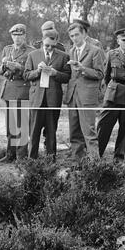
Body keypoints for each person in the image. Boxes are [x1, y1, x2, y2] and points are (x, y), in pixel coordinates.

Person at [24, 29, 71, 159]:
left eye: (52, 46)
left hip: (53, 99)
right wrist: (37, 71)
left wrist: (56, 74)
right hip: (36, 99)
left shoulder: (63, 56)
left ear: (56, 42)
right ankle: (31, 161)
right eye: (47, 46)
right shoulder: (33, 55)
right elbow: (26, 75)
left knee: (51, 132)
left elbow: (67, 77)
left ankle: (51, 161)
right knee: (34, 132)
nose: (49, 48)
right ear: (42, 41)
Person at [97, 28, 125, 162]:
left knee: (124, 128)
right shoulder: (111, 54)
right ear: (118, 41)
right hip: (114, 94)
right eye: (123, 40)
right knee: (104, 125)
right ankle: (97, 155)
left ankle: (119, 158)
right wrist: (110, 89)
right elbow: (106, 76)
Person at [65, 22, 105, 160]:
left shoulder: (95, 51)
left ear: (84, 34)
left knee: (89, 132)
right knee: (74, 133)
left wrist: (82, 69)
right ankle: (78, 164)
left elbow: (100, 74)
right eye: (71, 36)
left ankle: (95, 167)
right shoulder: (70, 52)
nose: (74, 38)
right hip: (72, 97)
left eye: (77, 35)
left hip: (87, 97)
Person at [0, 24, 34, 162]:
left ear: (24, 36)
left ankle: (21, 156)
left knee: (22, 125)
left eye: (20, 35)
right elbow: (1, 71)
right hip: (8, 90)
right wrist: (4, 66)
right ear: (11, 36)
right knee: (10, 125)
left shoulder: (31, 51)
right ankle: (10, 154)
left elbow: (31, 73)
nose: (17, 38)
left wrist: (19, 67)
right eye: (14, 35)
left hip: (22, 90)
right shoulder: (7, 49)